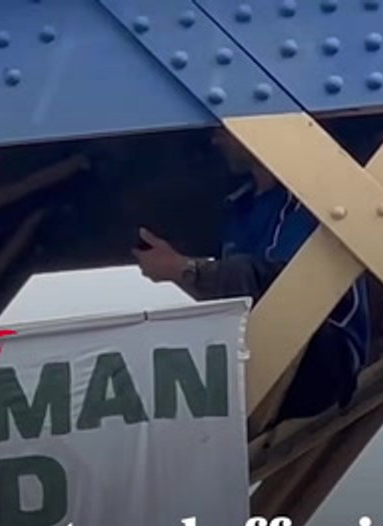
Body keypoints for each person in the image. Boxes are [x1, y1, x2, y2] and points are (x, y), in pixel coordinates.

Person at [133, 130, 369, 422]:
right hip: (263, 354)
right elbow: (234, 292)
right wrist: (179, 272)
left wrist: (180, 267)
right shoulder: (239, 206)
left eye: (224, 132)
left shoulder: (308, 199)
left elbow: (284, 282)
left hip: (326, 359)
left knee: (245, 272)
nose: (215, 141)